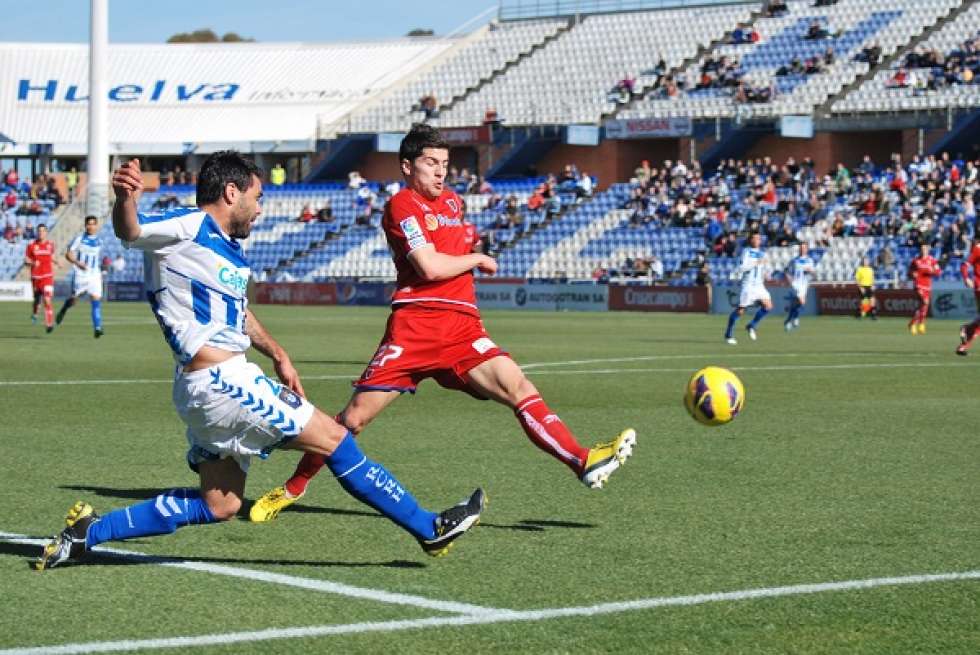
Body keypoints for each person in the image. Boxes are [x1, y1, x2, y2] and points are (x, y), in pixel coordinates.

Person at [35, 153, 485, 571]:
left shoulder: (229, 248)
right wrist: (125, 199)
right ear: (232, 193)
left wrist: (279, 354)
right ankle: (429, 528)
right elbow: (132, 231)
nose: (261, 207)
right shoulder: (190, 225)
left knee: (221, 505)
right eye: (258, 197)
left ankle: (89, 532)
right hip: (220, 381)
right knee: (335, 439)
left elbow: (240, 313)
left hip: (209, 385)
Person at [250, 125, 636, 523]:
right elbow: (430, 266)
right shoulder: (401, 205)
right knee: (352, 420)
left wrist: (469, 255)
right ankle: (293, 487)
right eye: (431, 163)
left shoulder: (453, 203)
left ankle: (583, 461)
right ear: (407, 166)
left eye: (445, 164)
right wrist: (477, 258)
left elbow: (452, 249)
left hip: (462, 329)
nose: (440, 172)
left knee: (518, 386)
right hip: (415, 328)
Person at [56, 215, 105, 338]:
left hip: (94, 275)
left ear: (97, 225)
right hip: (81, 275)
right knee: (74, 300)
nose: (91, 226)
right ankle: (64, 309)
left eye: (93, 224)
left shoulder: (100, 241)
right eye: (89, 224)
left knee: (96, 301)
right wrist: (78, 263)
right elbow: (68, 254)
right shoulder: (79, 239)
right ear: (85, 225)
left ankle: (97, 327)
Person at [724, 232, 771, 344]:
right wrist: (756, 263)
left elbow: (764, 268)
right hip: (749, 285)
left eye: (759, 238)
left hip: (759, 285)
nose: (757, 240)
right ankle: (728, 335)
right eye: (755, 238)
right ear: (751, 240)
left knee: (768, 306)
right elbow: (742, 267)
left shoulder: (763, 254)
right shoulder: (746, 252)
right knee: (740, 311)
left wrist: (767, 274)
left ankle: (751, 325)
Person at [25, 223, 55, 332]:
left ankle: (49, 324)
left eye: (43, 231)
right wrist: (33, 263)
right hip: (36, 277)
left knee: (47, 300)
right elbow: (26, 261)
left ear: (46, 232)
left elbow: (51, 257)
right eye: (39, 231)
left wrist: (57, 262)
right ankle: (34, 313)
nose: (41, 233)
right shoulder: (31, 246)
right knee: (37, 300)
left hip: (47, 276)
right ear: (37, 233)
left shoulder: (50, 245)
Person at [907, 243, 940, 335]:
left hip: (927, 285)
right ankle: (920, 323)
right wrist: (912, 274)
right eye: (922, 249)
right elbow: (909, 272)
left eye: (925, 249)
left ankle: (915, 323)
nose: (923, 250)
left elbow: (938, 272)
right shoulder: (915, 261)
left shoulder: (932, 260)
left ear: (928, 250)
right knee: (925, 302)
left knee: (924, 305)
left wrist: (932, 271)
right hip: (918, 285)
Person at [956, 237, 980, 355]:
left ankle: (963, 346)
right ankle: (967, 329)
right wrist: (966, 278)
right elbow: (964, 265)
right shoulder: (977, 249)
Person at [783, 242, 815, 330]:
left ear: (807, 249)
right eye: (801, 248)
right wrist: (790, 280)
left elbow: (813, 272)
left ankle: (788, 319)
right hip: (796, 284)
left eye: (804, 248)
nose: (802, 249)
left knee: (796, 305)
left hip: (804, 284)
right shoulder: (794, 260)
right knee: (802, 302)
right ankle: (795, 318)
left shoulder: (810, 260)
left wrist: (810, 270)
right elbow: (787, 271)